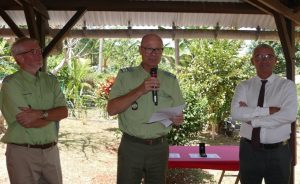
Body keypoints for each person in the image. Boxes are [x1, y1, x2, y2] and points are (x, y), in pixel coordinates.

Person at [107, 33, 185, 184]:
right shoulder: (125, 76)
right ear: (140, 50)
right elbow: (111, 109)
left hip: (159, 147)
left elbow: (178, 117)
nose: (153, 54)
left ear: (162, 52)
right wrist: (140, 90)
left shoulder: (171, 80)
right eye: (149, 49)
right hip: (131, 147)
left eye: (157, 50)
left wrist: (177, 119)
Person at [0, 37, 68, 184]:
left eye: (39, 50)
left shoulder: (51, 81)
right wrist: (52, 115)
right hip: (23, 153)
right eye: (33, 51)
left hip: (51, 152)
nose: (39, 54)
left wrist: (40, 114)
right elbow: (28, 122)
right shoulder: (11, 84)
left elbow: (64, 112)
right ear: (20, 58)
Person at [231, 44, 298, 184]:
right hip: (249, 151)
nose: (264, 60)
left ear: (275, 60)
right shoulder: (244, 86)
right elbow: (236, 113)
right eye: (259, 57)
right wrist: (269, 111)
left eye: (269, 56)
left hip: (279, 152)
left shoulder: (287, 86)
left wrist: (253, 120)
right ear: (253, 61)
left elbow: (289, 115)